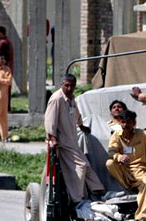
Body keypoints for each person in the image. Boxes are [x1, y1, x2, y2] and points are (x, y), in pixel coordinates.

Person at [44, 74, 104, 205]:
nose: (69, 88)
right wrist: (53, 138)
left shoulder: (71, 98)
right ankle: (77, 199)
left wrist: (81, 126)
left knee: (86, 165)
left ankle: (98, 190)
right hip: (63, 142)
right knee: (80, 166)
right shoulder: (57, 99)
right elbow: (49, 121)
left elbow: (76, 113)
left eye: (72, 86)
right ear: (62, 85)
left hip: (72, 139)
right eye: (67, 85)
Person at [106, 110, 146, 221]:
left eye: (128, 122)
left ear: (134, 123)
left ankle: (143, 218)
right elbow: (111, 151)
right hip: (125, 171)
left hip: (140, 170)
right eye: (123, 122)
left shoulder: (142, 134)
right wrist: (118, 156)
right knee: (109, 163)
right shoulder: (116, 136)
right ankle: (128, 185)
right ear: (120, 123)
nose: (125, 125)